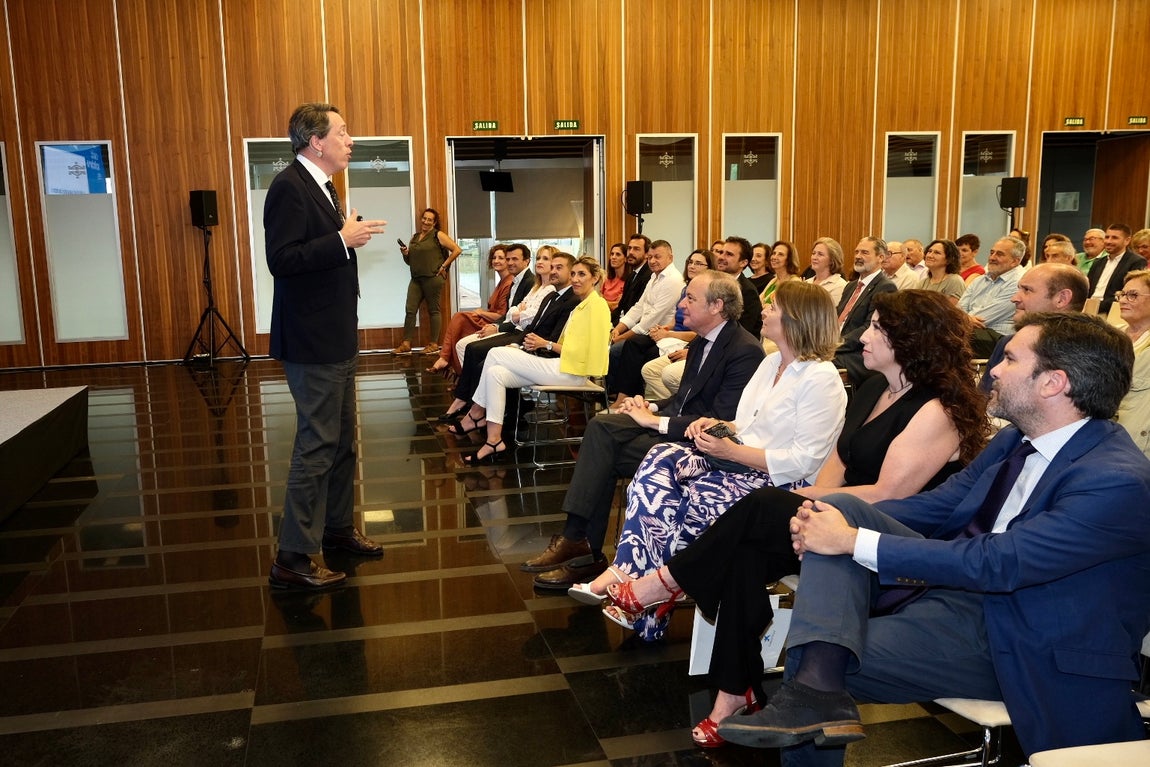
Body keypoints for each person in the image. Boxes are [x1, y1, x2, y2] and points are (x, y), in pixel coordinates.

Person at [716, 313, 1150, 765]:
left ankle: (816, 690)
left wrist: (850, 543)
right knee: (837, 510)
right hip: (963, 604)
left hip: (1029, 642)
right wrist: (824, 524)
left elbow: (998, 563)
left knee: (816, 659)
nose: (994, 369)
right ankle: (817, 692)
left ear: (1053, 383)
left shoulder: (1114, 480)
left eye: (1011, 359)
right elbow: (938, 507)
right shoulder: (1017, 442)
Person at [608, 289, 989, 747]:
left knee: (762, 508)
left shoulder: (935, 410)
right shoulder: (874, 388)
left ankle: (665, 583)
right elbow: (837, 465)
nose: (862, 336)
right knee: (746, 549)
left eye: (876, 328)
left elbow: (892, 494)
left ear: (909, 341)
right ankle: (734, 692)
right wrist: (804, 501)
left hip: (889, 539)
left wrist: (803, 504)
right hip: (834, 513)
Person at [585, 281, 847, 642]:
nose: (765, 311)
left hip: (777, 483)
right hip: (737, 462)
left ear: (795, 320)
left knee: (682, 502)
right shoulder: (772, 362)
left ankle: (642, 597)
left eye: (774, 307)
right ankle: (629, 575)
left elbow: (803, 461)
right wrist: (719, 426)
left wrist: (732, 451)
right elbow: (748, 423)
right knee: (661, 456)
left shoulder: (821, 378)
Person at [524, 271, 765, 590]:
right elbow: (682, 399)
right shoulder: (704, 340)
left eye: (690, 298)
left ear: (717, 305)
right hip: (672, 426)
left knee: (603, 447)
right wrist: (648, 406)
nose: (682, 304)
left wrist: (656, 421)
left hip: (701, 447)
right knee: (602, 427)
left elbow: (719, 422)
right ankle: (581, 546)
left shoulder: (743, 350)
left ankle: (581, 545)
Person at [264, 102, 388, 590]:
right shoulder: (288, 187)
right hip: (312, 341)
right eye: (343, 131)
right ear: (316, 141)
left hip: (335, 337)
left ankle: (336, 530)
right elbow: (283, 259)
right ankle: (292, 557)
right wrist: (341, 239)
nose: (350, 139)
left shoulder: (325, 187)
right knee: (316, 447)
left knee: (341, 446)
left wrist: (342, 235)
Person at [455, 254, 611, 464]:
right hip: (563, 366)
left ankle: (476, 411)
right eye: (573, 273)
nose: (575, 279)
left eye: (581, 274)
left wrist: (545, 344)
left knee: (495, 353)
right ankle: (493, 440)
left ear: (595, 278)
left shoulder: (597, 306)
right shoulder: (583, 304)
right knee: (496, 373)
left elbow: (588, 352)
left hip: (573, 372)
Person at [439, 248, 577, 424]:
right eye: (552, 266)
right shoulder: (550, 294)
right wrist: (518, 323)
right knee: (475, 350)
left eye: (558, 267)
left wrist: (524, 339)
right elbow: (515, 311)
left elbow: (537, 324)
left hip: (538, 347)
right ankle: (479, 407)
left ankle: (477, 409)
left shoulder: (564, 297)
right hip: (525, 335)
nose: (551, 269)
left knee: (486, 358)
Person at [609, 248, 714, 406]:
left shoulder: (685, 285)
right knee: (634, 345)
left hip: (683, 340)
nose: (692, 266)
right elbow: (669, 318)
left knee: (636, 347)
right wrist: (664, 329)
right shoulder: (685, 287)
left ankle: (662, 404)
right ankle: (629, 398)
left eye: (698, 263)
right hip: (671, 334)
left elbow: (700, 332)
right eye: (690, 262)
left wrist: (668, 334)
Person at [446, 245, 551, 379]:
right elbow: (512, 312)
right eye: (508, 259)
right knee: (462, 334)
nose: (510, 262)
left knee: (467, 342)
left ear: (526, 261)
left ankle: (469, 390)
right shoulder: (516, 281)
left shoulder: (529, 282)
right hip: (508, 326)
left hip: (517, 333)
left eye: (514, 259)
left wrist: (497, 327)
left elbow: (522, 317)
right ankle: (468, 387)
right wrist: (496, 325)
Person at [428, 244, 512, 375]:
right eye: (494, 257)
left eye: (501, 258)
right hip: (491, 321)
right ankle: (455, 370)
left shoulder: (508, 283)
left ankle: (446, 360)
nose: (496, 261)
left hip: (497, 326)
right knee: (459, 324)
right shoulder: (502, 282)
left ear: (509, 261)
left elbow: (502, 315)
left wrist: (481, 312)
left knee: (459, 318)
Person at [395, 208, 462, 355]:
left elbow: (457, 250)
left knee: (434, 310)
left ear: (434, 222)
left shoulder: (438, 235)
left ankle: (433, 344)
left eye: (429, 219)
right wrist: (406, 254)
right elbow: (410, 261)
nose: (425, 221)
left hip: (432, 279)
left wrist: (444, 265)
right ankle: (406, 344)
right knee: (410, 310)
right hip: (416, 279)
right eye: (424, 218)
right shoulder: (415, 237)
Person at [1115, 270, 1150, 458]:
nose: (1122, 300)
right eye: (1122, 294)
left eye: (1133, 295)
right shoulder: (1112, 333)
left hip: (1135, 433)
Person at [1087, 223, 1147, 316]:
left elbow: (1129, 293)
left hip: (1113, 312)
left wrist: (1097, 306)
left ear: (1127, 241)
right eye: (1107, 237)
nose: (1108, 241)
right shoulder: (1098, 262)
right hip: (1089, 309)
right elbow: (1088, 288)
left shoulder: (1136, 261)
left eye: (1114, 238)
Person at [805, 237, 848, 306]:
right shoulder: (807, 282)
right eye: (813, 253)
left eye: (820, 254)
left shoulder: (839, 285)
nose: (814, 257)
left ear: (832, 260)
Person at [760, 241, 801, 305]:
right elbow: (759, 303)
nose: (774, 257)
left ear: (789, 260)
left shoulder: (795, 283)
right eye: (774, 253)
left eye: (780, 254)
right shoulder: (773, 281)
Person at [602, 242, 631, 323]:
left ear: (625, 259)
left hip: (618, 320)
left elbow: (617, 306)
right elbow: (599, 302)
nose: (613, 257)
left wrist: (604, 302)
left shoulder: (628, 281)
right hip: (603, 317)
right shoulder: (607, 280)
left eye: (618, 254)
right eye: (612, 254)